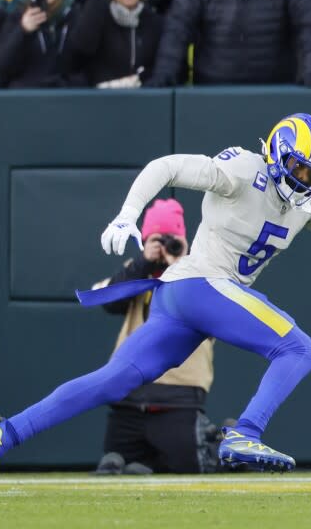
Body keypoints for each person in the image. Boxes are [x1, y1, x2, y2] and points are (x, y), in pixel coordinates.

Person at [0, 112, 311, 497]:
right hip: (199, 285)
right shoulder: (243, 169)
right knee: (300, 349)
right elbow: (167, 167)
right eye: (300, 167)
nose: (305, 179)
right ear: (279, 152)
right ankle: (246, 432)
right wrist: (127, 215)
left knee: (112, 380)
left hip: (183, 298)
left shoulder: (310, 200)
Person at [93, 198, 220, 474]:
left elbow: (208, 315)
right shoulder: (137, 272)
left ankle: (224, 443)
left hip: (178, 399)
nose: (164, 249)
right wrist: (142, 264)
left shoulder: (201, 272)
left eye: (171, 241)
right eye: (157, 241)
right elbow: (106, 300)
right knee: (113, 466)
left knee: (191, 468)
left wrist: (180, 266)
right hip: (130, 397)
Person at [143, 0, 311, 87]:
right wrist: (165, 72)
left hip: (275, 88)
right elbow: (178, 27)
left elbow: (310, 22)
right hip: (213, 90)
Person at [67, 0, 162, 88]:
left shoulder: (154, 22)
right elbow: (77, 52)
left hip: (143, 95)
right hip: (102, 96)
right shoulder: (99, 16)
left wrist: (143, 78)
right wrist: (95, 4)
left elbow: (159, 64)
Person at [0, 0, 83, 88]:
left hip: (67, 95)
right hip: (28, 96)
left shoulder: (76, 14)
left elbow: (85, 61)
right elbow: (2, 67)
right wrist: (22, 30)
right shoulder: (17, 17)